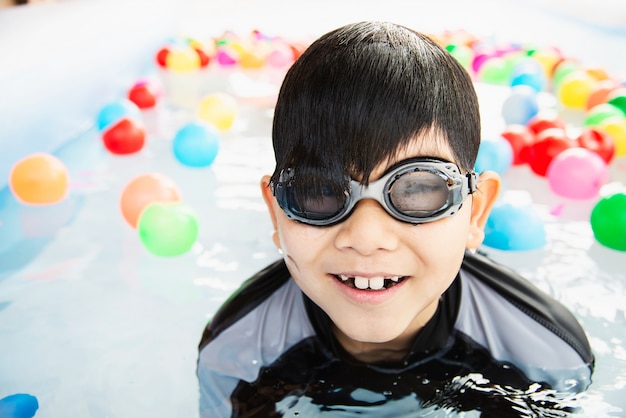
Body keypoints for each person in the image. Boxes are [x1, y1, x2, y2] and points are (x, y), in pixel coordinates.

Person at [197, 21, 594, 417]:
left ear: (476, 212)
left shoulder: (547, 358)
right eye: (318, 191)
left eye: (418, 190)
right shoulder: (235, 356)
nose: (367, 237)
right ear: (276, 211)